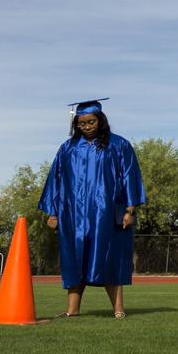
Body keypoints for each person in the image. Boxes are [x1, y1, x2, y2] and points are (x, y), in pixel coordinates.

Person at [39, 98, 146, 319]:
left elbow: (130, 176)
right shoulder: (67, 148)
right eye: (81, 123)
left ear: (100, 120)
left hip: (105, 214)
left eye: (91, 122)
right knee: (73, 260)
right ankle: (72, 310)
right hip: (73, 215)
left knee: (109, 258)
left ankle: (118, 309)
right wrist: (52, 212)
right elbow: (55, 181)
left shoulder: (118, 145)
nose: (86, 127)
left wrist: (130, 209)